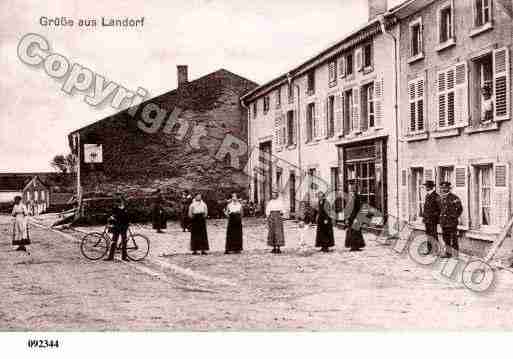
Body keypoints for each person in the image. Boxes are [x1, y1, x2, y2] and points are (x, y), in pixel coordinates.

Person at [439, 181, 463, 258]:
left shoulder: (454, 198)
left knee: (454, 238)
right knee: (446, 238)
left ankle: (456, 254)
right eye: (442, 188)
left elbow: (460, 209)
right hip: (443, 222)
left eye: (445, 188)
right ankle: (448, 253)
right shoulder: (440, 198)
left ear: (449, 188)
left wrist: (454, 217)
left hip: (451, 222)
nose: (444, 189)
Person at [105, 196, 130, 261]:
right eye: (119, 202)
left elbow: (127, 217)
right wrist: (112, 218)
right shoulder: (115, 208)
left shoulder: (125, 208)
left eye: (121, 202)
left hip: (123, 227)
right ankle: (110, 257)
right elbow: (112, 215)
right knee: (113, 241)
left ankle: (124, 257)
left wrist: (127, 224)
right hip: (117, 227)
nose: (120, 203)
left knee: (124, 242)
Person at [344, 181, 365, 251]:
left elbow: (359, 208)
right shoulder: (349, 197)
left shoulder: (357, 197)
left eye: (352, 189)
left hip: (355, 217)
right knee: (351, 232)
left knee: (356, 232)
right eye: (350, 188)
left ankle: (356, 246)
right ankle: (352, 245)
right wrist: (346, 217)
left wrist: (358, 218)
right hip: (350, 217)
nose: (350, 190)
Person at [422, 180, 441, 255]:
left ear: (430, 187)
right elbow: (425, 208)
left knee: (433, 234)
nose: (426, 187)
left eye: (427, 186)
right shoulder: (427, 195)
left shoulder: (436, 196)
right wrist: (424, 217)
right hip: (427, 219)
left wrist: (434, 216)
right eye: (426, 186)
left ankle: (436, 250)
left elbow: (439, 209)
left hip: (433, 220)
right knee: (428, 235)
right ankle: (429, 250)